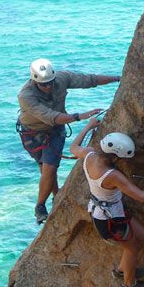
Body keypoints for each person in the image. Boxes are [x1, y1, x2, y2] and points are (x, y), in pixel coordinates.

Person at [70, 118, 144, 287]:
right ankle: (129, 285)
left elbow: (73, 148)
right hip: (109, 220)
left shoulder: (89, 155)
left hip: (109, 212)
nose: (122, 161)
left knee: (143, 235)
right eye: (120, 158)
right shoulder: (112, 175)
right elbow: (141, 197)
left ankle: (122, 270)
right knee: (132, 247)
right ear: (114, 157)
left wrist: (88, 126)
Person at [17, 58, 120, 224]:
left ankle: (40, 206)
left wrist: (117, 78)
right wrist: (79, 116)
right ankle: (56, 195)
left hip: (55, 132)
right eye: (44, 84)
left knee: (49, 167)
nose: (48, 86)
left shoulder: (61, 78)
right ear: (34, 81)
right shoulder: (26, 96)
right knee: (45, 168)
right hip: (32, 133)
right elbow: (52, 116)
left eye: (50, 82)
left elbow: (89, 80)